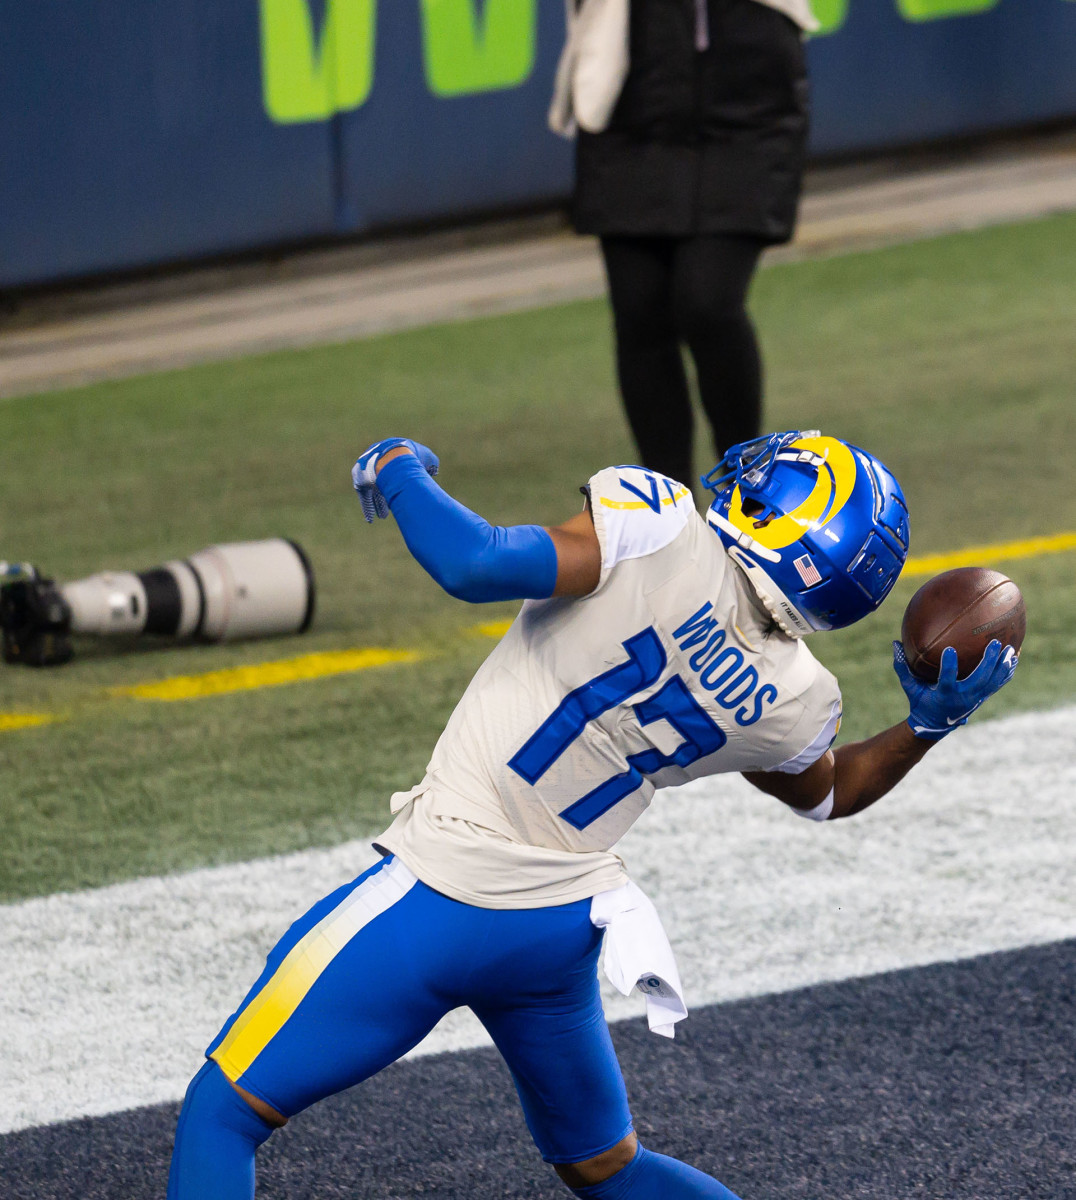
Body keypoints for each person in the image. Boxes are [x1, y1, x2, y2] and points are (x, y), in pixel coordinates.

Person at [167, 430, 1018, 1198]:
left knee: (222, 1114)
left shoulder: (660, 523)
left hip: (441, 893)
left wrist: (398, 470)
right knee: (606, 1169)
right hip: (558, 924)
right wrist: (927, 724)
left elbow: (475, 564)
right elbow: (833, 793)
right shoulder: (797, 698)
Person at [559, 0, 818, 489]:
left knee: (708, 303)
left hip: (747, 100)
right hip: (632, 98)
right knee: (640, 312)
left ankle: (748, 487)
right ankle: (669, 509)